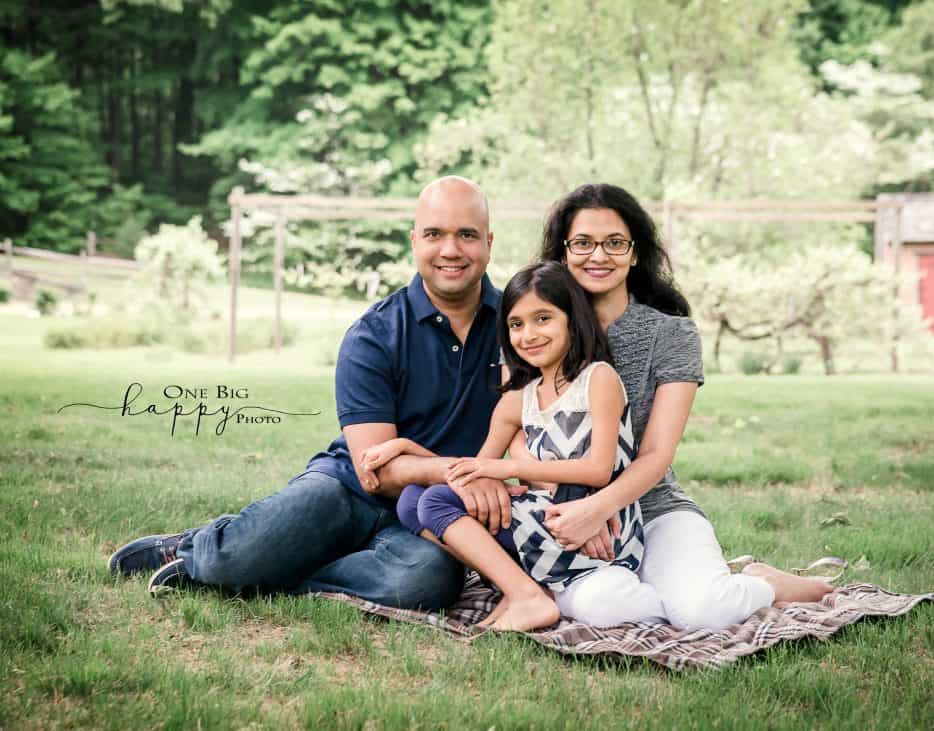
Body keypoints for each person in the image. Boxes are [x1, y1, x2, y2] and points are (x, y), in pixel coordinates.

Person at [107, 176, 521, 609]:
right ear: (414, 241)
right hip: (347, 490)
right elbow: (375, 470)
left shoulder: (519, 330)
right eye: (434, 234)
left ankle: (287, 573)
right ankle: (194, 550)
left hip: (432, 512)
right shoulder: (374, 334)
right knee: (234, 558)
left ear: (488, 243)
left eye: (466, 235)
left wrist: (464, 482)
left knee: (425, 582)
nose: (450, 250)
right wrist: (467, 473)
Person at [522, 183, 835, 629]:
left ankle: (763, 583)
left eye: (615, 243)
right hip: (560, 515)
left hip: (654, 509)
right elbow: (519, 431)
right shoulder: (535, 329)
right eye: (583, 243)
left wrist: (597, 509)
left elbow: (656, 454)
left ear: (635, 253)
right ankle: (681, 588)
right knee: (602, 610)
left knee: (705, 613)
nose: (599, 256)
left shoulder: (672, 335)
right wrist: (572, 509)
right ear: (563, 252)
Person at [368, 262, 650, 631]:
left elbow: (599, 470)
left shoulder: (597, 378)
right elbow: (473, 472)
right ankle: (524, 588)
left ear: (573, 319)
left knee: (436, 502)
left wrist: (511, 467)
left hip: (597, 526)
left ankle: (525, 594)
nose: (528, 334)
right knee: (412, 499)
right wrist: (407, 446)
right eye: (516, 324)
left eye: (543, 319)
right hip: (547, 517)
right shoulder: (519, 398)